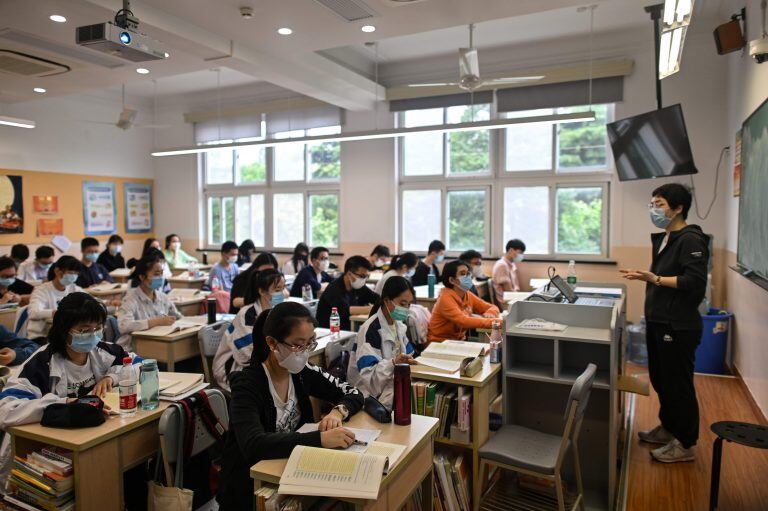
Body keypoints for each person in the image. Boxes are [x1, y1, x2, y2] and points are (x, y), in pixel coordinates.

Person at [217, 302, 364, 510]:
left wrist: (338, 412)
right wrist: (320, 439)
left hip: (293, 471)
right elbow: (253, 444)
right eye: (298, 345)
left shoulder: (302, 371)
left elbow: (354, 393)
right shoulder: (247, 385)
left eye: (310, 343)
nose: (304, 353)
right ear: (272, 343)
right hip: (250, 487)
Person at [621, 183, 708, 463]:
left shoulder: (691, 239)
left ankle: (685, 443)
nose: (654, 209)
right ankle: (668, 428)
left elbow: (694, 282)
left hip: (678, 325)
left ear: (678, 207)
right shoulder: (666, 238)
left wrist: (654, 279)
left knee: (678, 384)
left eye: (659, 204)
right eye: (653, 203)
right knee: (661, 380)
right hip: (659, 321)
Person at [0, 293, 137, 458]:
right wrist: (61, 404)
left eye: (98, 328)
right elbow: (6, 410)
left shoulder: (104, 351)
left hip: (92, 435)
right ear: (63, 329)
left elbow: (142, 365)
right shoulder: (40, 364)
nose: (93, 335)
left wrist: (111, 377)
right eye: (84, 330)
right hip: (45, 449)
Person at [348, 276, 416, 408]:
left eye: (409, 304)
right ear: (387, 301)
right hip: (369, 395)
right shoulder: (370, 330)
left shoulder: (398, 325)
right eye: (402, 304)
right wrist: (394, 363)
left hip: (390, 384)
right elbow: (370, 380)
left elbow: (410, 355)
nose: (406, 308)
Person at [213, 269, 286, 391]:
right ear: (262, 291)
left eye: (283, 289)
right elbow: (249, 353)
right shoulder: (247, 315)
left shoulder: (279, 311)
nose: (282, 294)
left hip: (264, 363)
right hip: (233, 367)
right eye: (277, 290)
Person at [116, 252, 182, 350]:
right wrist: (156, 322)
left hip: (159, 343)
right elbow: (124, 326)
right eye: (156, 274)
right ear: (142, 277)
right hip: (133, 349)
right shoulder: (130, 299)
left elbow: (178, 317)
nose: (160, 277)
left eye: (161, 273)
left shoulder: (162, 297)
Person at [428, 260, 500, 343]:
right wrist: (497, 322)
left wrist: (491, 312)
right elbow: (464, 321)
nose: (468, 277)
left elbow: (492, 307)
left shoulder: (467, 294)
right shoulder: (445, 298)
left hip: (457, 341)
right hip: (439, 343)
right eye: (463, 274)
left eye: (468, 273)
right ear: (452, 280)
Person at [27, 256, 83, 339]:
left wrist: (106, 302)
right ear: (57, 271)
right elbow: (33, 313)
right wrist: (56, 313)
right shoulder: (41, 290)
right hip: (42, 336)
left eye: (76, 273)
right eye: (71, 272)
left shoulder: (74, 288)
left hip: (66, 334)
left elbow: (91, 302)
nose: (74, 276)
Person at [316, 256, 378, 331]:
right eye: (362, 276)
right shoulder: (334, 289)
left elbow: (376, 299)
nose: (364, 279)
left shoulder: (358, 286)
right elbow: (346, 310)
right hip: (330, 331)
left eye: (366, 276)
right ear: (349, 274)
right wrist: (374, 308)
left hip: (349, 328)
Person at [492, 239, 526, 304]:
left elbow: (515, 287)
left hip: (512, 297)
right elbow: (508, 291)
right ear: (511, 250)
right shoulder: (502, 265)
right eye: (520, 253)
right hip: (506, 302)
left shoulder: (511, 264)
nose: (521, 255)